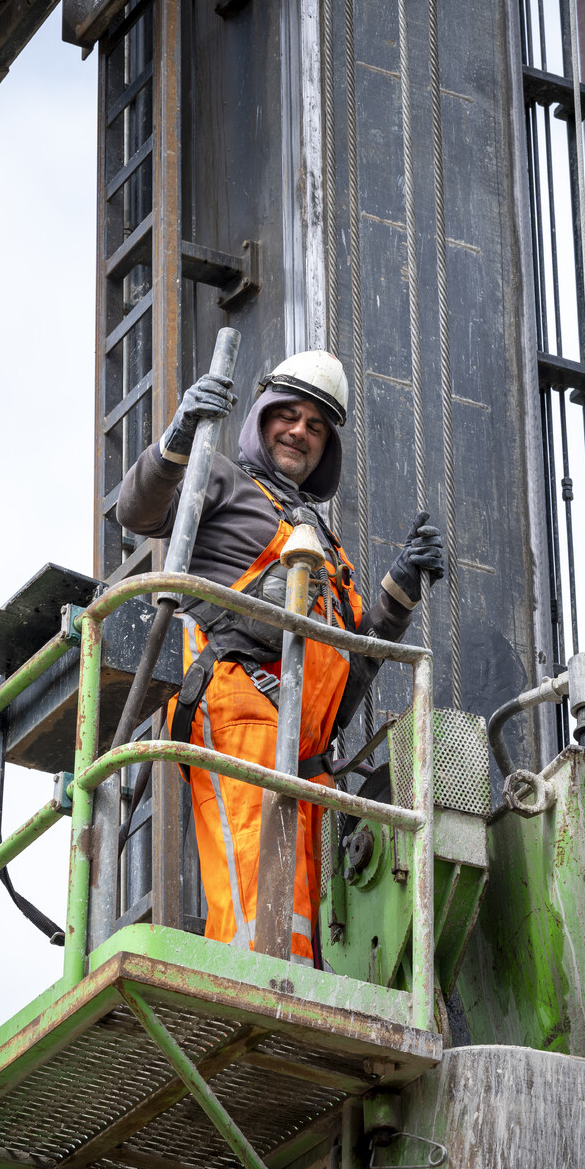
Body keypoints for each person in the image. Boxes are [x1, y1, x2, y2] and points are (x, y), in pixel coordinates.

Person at [115, 350, 445, 966]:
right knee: (258, 880)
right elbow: (136, 513)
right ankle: (260, 996)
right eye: (286, 416)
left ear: (327, 447)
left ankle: (302, 997)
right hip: (240, 707)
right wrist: (180, 435)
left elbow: (345, 681)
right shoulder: (221, 478)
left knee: (320, 916)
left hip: (312, 751)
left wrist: (400, 592)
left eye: (315, 426)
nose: (299, 431)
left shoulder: (323, 542)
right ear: (261, 419)